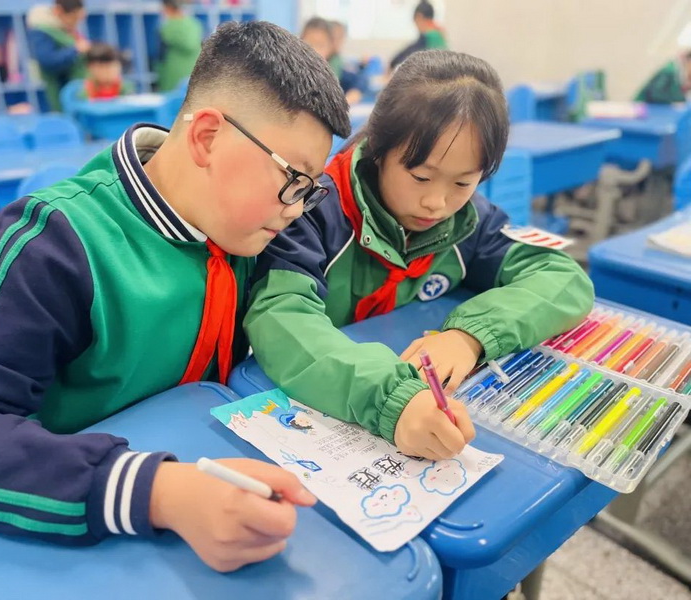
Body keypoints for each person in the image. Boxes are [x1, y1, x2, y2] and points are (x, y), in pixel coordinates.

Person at [0, 21, 350, 573]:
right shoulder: (57, 241)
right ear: (207, 137)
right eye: (292, 178)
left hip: (195, 487)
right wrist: (156, 491)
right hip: (51, 529)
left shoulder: (251, 227)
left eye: (310, 190)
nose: (297, 210)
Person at [245, 50, 594, 461]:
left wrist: (469, 336)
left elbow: (564, 278)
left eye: (463, 183)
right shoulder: (312, 211)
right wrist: (390, 399)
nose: (437, 203)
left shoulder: (470, 221)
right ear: (379, 149)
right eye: (421, 177)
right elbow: (280, 317)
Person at [28, 0, 89, 111]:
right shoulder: (42, 31)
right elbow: (48, 61)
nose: (76, 23)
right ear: (59, 11)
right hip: (59, 90)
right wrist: (75, 50)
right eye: (74, 17)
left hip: (78, 89)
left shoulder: (65, 30)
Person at [300, 17, 363, 104]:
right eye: (308, 44)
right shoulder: (294, 72)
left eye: (320, 45)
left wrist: (353, 94)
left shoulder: (338, 71)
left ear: (330, 47)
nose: (314, 50)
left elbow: (357, 84)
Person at [156, 0, 203, 92]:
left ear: (168, 8)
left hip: (174, 72)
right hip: (195, 69)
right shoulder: (194, 23)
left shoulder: (168, 26)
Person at [390, 1, 448, 70]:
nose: (417, 27)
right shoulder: (438, 34)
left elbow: (409, 55)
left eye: (416, 22)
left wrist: (392, 63)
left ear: (419, 17)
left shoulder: (430, 36)